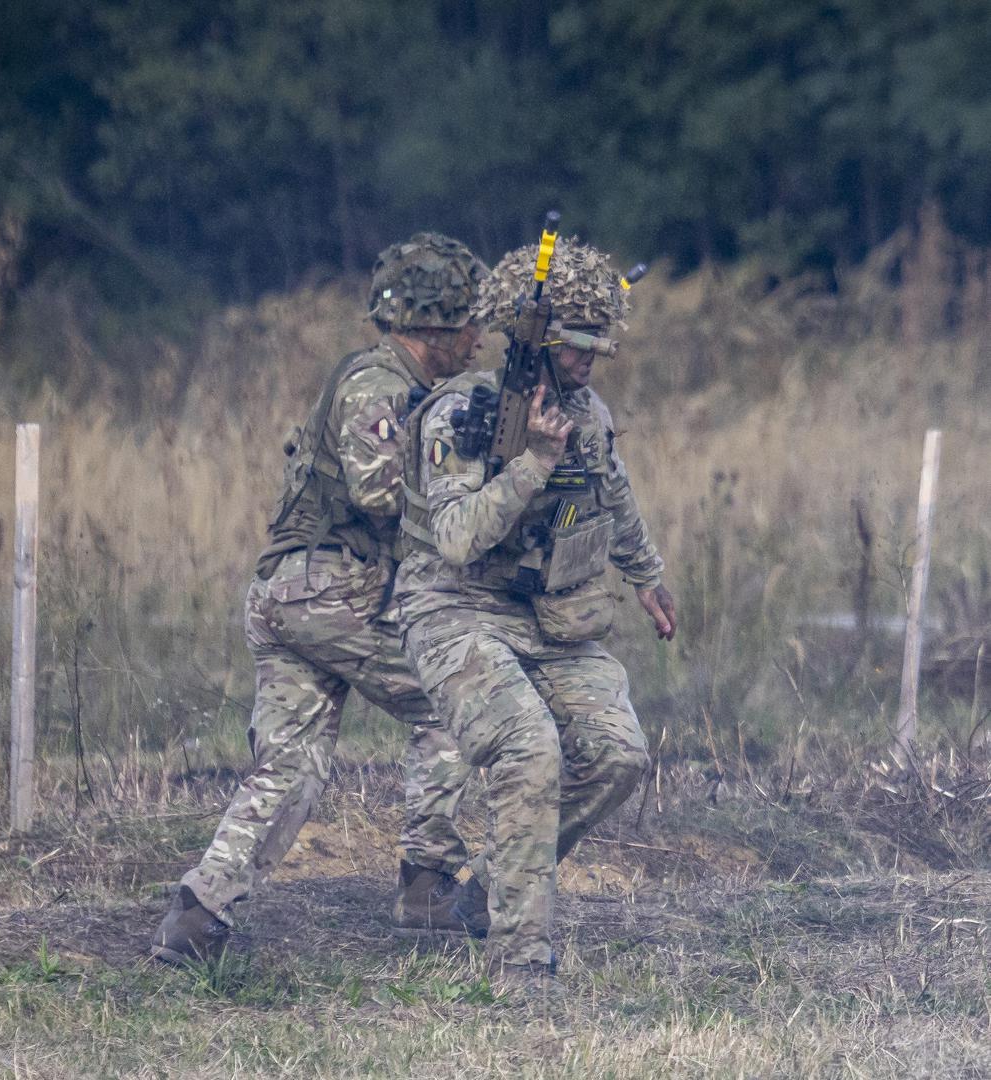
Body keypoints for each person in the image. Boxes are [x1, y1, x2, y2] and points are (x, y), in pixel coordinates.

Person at [151, 234, 489, 965]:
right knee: (456, 702)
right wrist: (471, 499)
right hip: (333, 588)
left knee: (292, 768)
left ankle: (198, 913)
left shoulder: (402, 386)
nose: (479, 338)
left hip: (291, 596)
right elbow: (376, 492)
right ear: (434, 325)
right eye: (470, 322)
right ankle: (427, 884)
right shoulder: (378, 385)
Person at [392, 239, 677, 992]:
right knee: (529, 749)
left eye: (599, 348)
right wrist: (530, 466)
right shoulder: (463, 411)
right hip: (454, 610)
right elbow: (455, 538)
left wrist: (646, 575)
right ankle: (521, 963)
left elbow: (611, 495)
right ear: (542, 343)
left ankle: (492, 885)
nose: (592, 361)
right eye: (580, 348)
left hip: (551, 619)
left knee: (619, 754)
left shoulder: (588, 412)